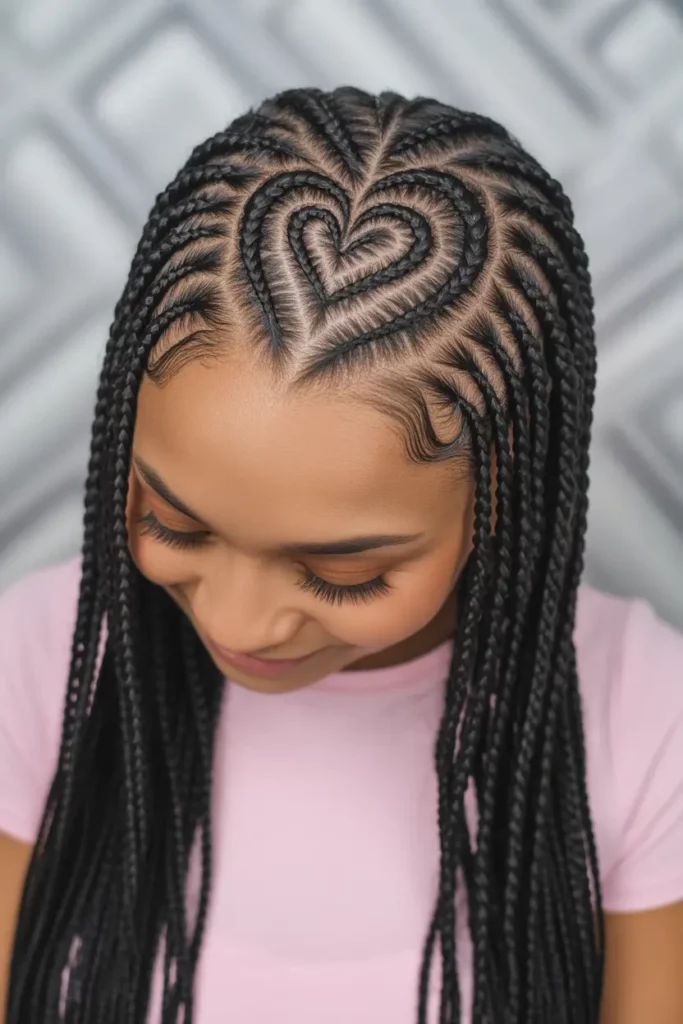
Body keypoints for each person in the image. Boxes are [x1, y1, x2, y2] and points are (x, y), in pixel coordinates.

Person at [0, 86, 682, 1024]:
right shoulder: (36, 665)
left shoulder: (646, 722)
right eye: (175, 522)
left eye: (342, 573)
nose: (237, 621)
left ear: (507, 493)